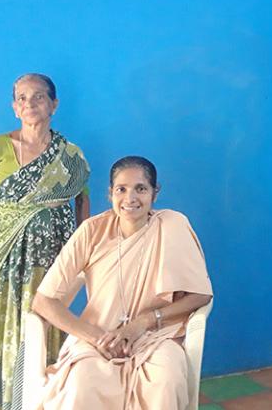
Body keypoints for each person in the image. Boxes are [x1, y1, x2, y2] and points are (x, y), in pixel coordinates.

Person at [32, 156, 213, 410]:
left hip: (157, 337)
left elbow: (200, 295)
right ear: (110, 194)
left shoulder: (173, 225)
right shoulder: (91, 231)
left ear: (155, 192)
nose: (130, 199)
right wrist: (97, 338)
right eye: (121, 189)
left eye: (141, 188)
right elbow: (43, 301)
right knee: (81, 383)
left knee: (165, 382)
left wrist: (144, 321)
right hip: (99, 337)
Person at [0, 73, 90, 410]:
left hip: (52, 258)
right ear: (13, 107)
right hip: (5, 263)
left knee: (46, 323)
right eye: (22, 98)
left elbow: (82, 200)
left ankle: (43, 400)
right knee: (3, 326)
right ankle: (3, 401)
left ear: (54, 104)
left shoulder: (69, 154)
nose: (29, 104)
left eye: (38, 97)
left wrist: (78, 251)